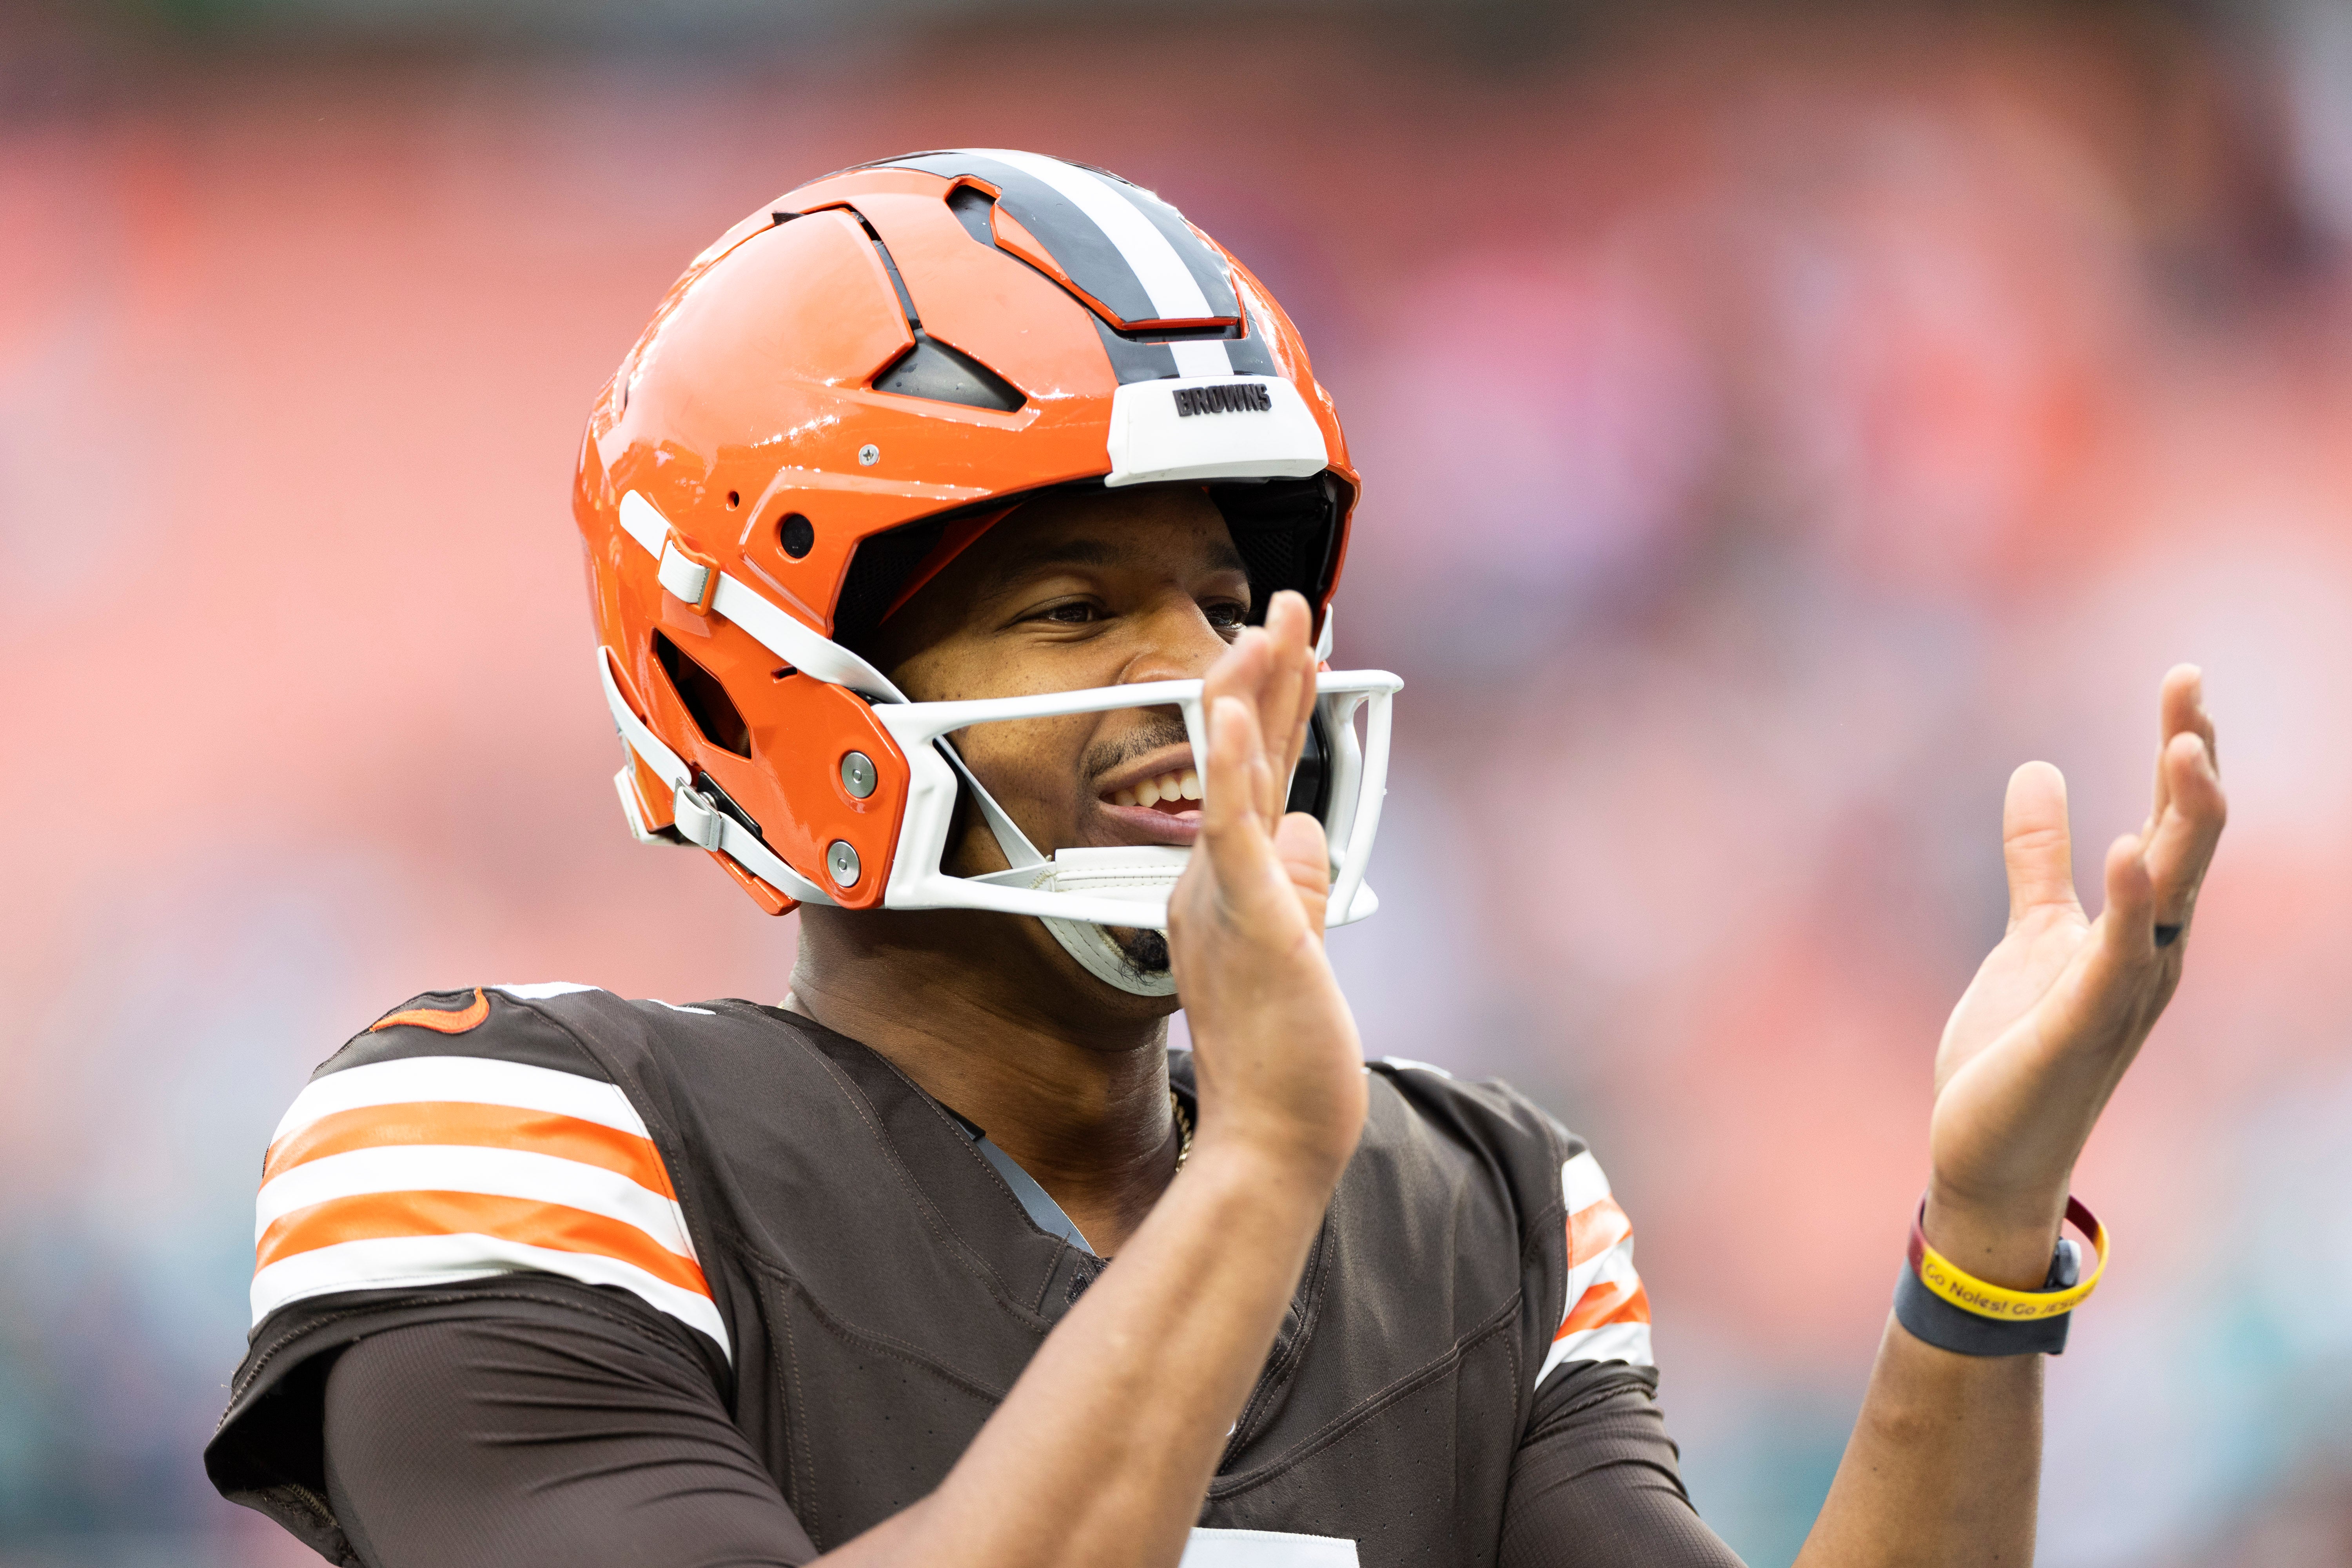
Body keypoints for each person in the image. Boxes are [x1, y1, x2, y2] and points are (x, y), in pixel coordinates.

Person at [203, 150, 2227, 1568]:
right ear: (767, 683)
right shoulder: (519, 1129)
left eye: (1223, 598)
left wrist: (1983, 1242)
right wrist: (1257, 1165)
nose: (1215, 685)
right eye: (1079, 609)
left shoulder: (1475, 1203)